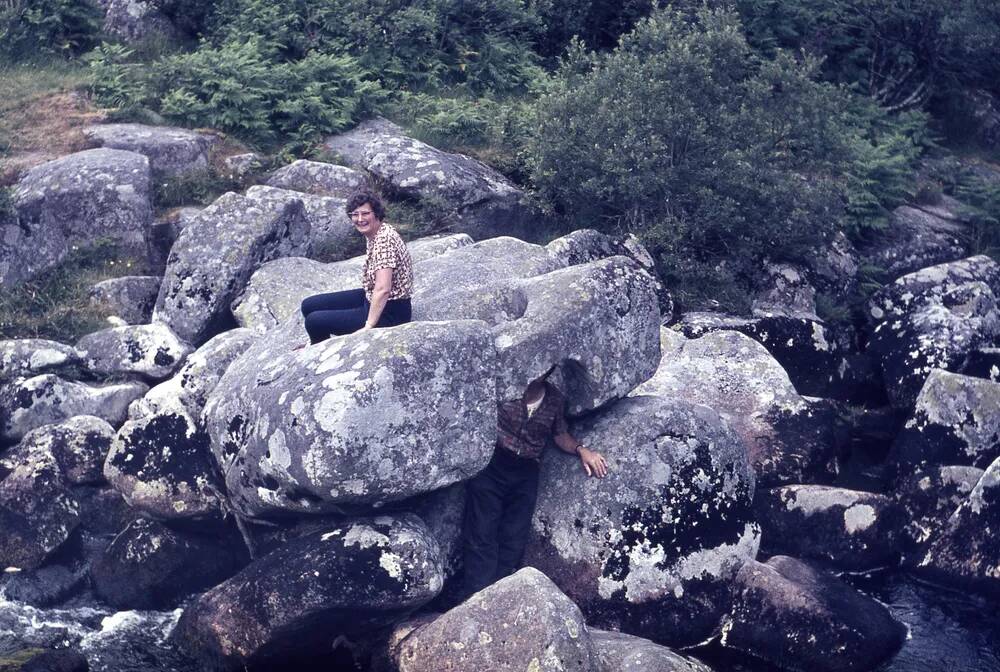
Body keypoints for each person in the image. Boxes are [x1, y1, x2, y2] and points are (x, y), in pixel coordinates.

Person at [461, 366, 608, 598]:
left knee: (514, 536)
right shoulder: (505, 386)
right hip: (493, 464)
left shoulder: (554, 399)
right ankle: (474, 598)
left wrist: (582, 451)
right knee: (481, 532)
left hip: (525, 471)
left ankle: (499, 598)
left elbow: (560, 435)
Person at [300, 190, 413, 343]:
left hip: (390, 312)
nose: (360, 219)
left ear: (376, 213)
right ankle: (321, 343)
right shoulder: (376, 232)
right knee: (308, 305)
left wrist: (369, 325)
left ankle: (319, 351)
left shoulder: (384, 241)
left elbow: (383, 288)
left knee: (315, 321)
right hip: (371, 297)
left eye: (365, 213)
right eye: (355, 214)